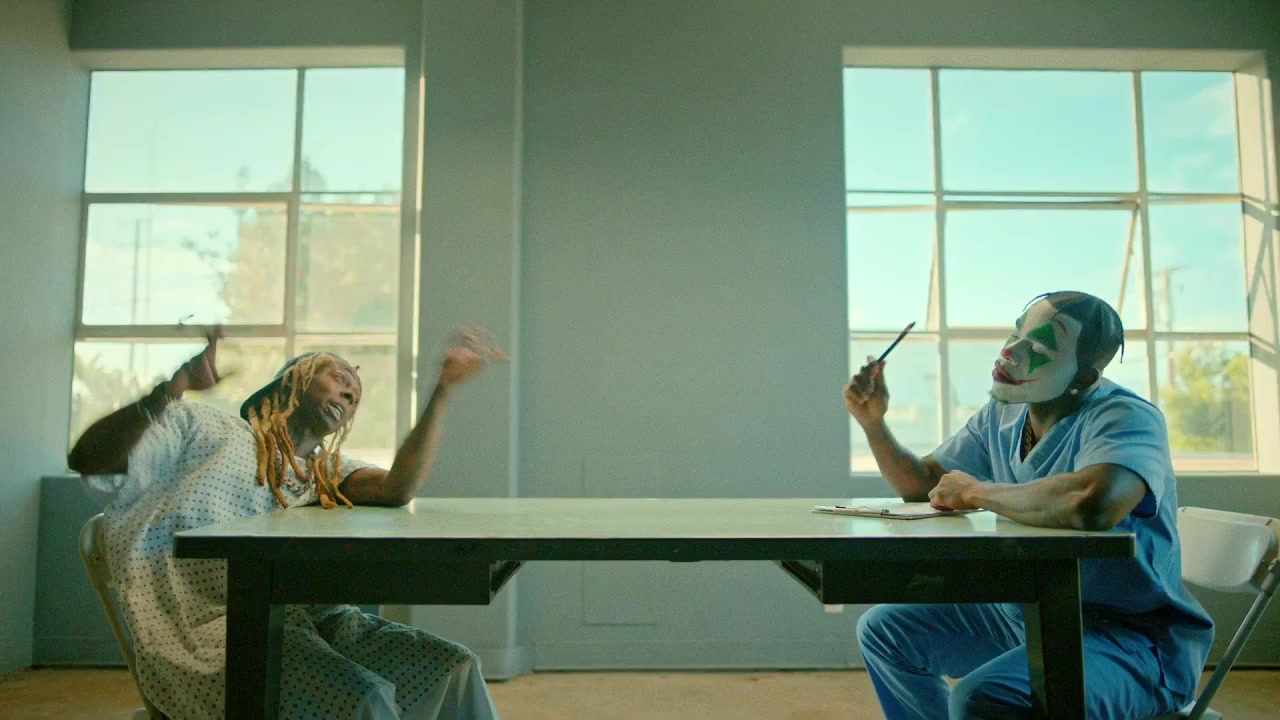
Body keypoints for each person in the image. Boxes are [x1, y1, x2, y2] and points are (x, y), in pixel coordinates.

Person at [70, 329, 508, 720]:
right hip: (203, 636)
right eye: (339, 378)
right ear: (292, 379)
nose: (349, 393)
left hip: (309, 622)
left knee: (454, 670)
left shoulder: (322, 474)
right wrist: (168, 391)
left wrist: (443, 390)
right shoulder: (201, 426)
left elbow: (398, 487)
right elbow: (89, 459)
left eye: (355, 397)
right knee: (362, 698)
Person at [843, 290, 1213, 719]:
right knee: (885, 632)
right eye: (1016, 334)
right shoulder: (1002, 414)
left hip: (1130, 638)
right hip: (1031, 614)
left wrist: (977, 492)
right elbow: (924, 484)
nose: (1010, 352)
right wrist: (874, 424)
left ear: (1084, 377)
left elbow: (1093, 503)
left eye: (1038, 348)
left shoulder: (1126, 417)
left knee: (984, 698)